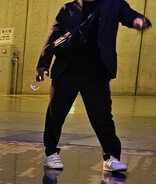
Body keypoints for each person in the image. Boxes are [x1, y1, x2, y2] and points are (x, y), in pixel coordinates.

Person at [37, 0, 151, 173]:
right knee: (55, 114)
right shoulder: (69, 8)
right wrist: (43, 63)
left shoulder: (113, 4)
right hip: (66, 71)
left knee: (102, 117)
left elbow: (129, 15)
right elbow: (54, 36)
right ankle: (51, 153)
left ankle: (111, 157)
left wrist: (138, 20)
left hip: (96, 73)